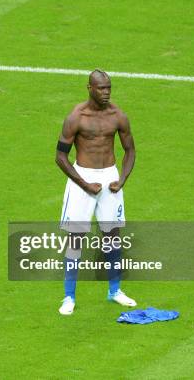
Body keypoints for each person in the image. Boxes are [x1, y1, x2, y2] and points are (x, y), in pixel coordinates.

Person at [55, 70, 137, 315]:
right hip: (83, 179)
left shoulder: (118, 116)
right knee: (76, 239)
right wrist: (84, 184)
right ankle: (68, 297)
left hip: (109, 178)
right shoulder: (76, 117)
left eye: (109, 88)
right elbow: (60, 156)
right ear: (89, 88)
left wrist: (121, 179)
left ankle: (115, 291)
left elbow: (130, 150)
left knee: (112, 235)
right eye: (101, 88)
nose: (106, 93)